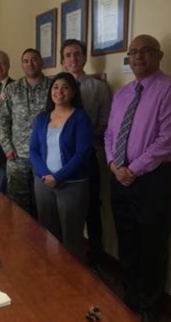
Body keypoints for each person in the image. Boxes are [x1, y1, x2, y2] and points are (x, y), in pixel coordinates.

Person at [104, 35, 171, 322]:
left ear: (160, 56)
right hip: (119, 177)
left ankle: (148, 307)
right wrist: (114, 165)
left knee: (152, 245)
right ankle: (129, 297)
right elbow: (110, 134)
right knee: (126, 241)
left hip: (154, 180)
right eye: (133, 52)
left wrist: (133, 169)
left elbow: (168, 141)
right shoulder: (122, 94)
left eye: (145, 51)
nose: (138, 57)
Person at [60, 39, 112, 271]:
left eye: (77, 54)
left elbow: (104, 122)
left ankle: (97, 257)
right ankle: (65, 253)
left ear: (84, 58)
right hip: (61, 157)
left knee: (92, 205)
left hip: (88, 154)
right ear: (63, 60)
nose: (73, 59)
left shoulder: (97, 87)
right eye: (68, 55)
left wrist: (82, 141)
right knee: (66, 204)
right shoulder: (57, 85)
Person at [29, 72, 92, 259]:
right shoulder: (42, 118)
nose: (59, 91)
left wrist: (58, 177)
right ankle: (51, 275)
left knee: (72, 239)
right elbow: (33, 150)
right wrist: (46, 174)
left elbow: (83, 153)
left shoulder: (80, 118)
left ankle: (73, 282)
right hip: (43, 183)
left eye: (65, 87)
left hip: (71, 185)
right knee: (47, 234)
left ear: (73, 92)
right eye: (55, 87)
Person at [0, 48, 51, 217]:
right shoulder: (11, 90)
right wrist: (7, 148)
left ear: (41, 62)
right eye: (26, 61)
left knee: (44, 205)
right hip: (17, 157)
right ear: (21, 65)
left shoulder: (53, 87)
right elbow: (1, 122)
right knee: (17, 207)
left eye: (34, 59)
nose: (30, 64)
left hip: (45, 157)